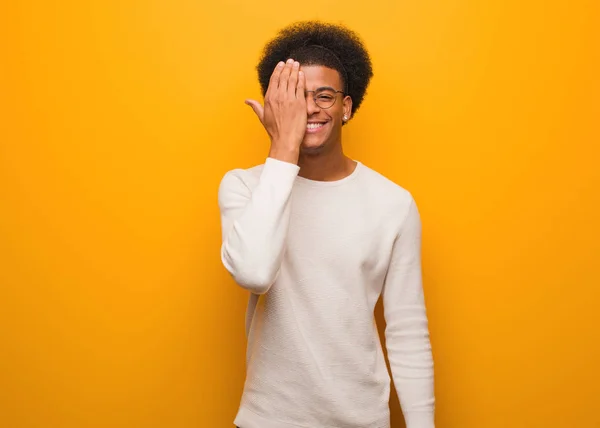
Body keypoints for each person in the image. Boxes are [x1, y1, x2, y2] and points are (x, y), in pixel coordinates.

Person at [218, 21, 435, 428]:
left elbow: (407, 331)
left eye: (324, 96)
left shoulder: (394, 203)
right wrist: (283, 146)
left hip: (362, 419)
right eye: (297, 96)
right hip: (269, 420)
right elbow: (254, 272)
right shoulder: (244, 187)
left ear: (347, 106)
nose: (312, 107)